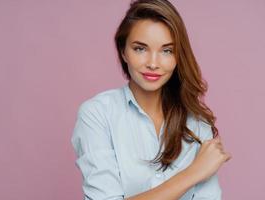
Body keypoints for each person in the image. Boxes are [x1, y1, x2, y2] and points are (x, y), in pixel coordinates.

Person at [71, 0, 232, 199]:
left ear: (177, 56)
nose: (153, 63)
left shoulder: (197, 123)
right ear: (123, 52)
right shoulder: (97, 114)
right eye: (140, 48)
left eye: (167, 51)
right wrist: (194, 173)